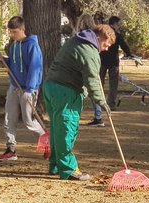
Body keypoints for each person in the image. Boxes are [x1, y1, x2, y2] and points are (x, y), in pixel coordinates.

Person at [41, 23, 115, 181]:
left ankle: (55, 165)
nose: (106, 49)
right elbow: (92, 79)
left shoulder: (76, 40)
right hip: (66, 92)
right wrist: (102, 102)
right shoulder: (89, 51)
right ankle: (68, 169)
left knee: (57, 130)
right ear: (99, 37)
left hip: (51, 87)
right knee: (67, 129)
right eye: (105, 45)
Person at [0, 16, 46, 161]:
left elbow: (35, 68)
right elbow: (12, 65)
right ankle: (10, 149)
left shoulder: (32, 45)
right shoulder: (14, 46)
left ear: (22, 30)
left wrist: (30, 89)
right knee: (9, 118)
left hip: (28, 89)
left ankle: (46, 140)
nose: (12, 35)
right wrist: (2, 60)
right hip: (14, 87)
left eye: (15, 32)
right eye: (10, 32)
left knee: (28, 121)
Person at [90, 15, 132, 127]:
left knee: (101, 84)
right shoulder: (114, 35)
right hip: (110, 62)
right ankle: (109, 104)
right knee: (111, 84)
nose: (119, 27)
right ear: (114, 24)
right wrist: (129, 53)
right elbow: (124, 46)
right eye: (118, 24)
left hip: (104, 61)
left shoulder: (107, 34)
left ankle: (101, 106)